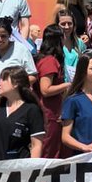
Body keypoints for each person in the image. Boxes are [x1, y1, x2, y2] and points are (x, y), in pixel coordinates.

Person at [0, 67, 45, 161]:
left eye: (4, 79)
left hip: (17, 168)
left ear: (16, 84)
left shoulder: (31, 110)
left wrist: (33, 169)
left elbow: (36, 145)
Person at [35, 24, 71, 159]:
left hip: (53, 112)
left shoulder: (47, 59)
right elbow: (46, 89)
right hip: (49, 114)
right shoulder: (49, 61)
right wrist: (67, 85)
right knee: (49, 151)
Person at [0, 17, 37, 104]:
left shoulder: (21, 49)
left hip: (15, 101)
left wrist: (12, 85)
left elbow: (33, 76)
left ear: (10, 35)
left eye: (3, 36)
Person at [56, 8, 86, 82]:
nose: (67, 27)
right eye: (63, 24)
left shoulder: (80, 43)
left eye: (69, 23)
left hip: (77, 84)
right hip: (61, 85)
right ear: (57, 25)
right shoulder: (55, 43)